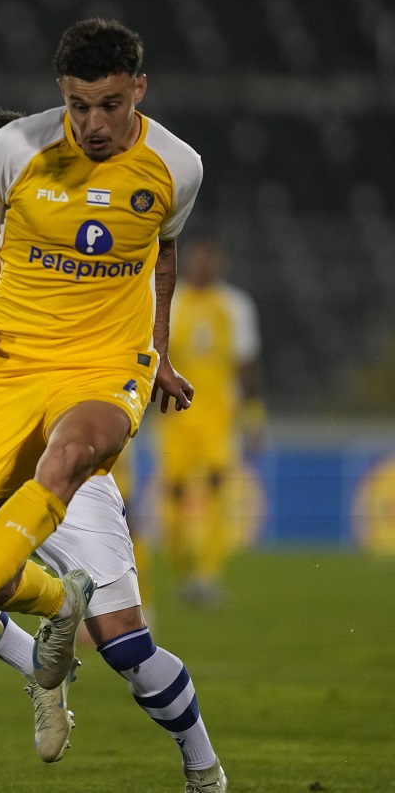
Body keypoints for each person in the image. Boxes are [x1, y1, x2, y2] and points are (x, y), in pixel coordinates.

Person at [0, 110, 226, 786]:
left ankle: (203, 763)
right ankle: (45, 666)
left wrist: (154, 352)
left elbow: (102, 319)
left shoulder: (65, 245)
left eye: (0, 163)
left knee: (128, 647)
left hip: (68, 465)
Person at [154, 232, 263, 606]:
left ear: (221, 263)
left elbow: (246, 365)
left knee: (218, 488)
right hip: (176, 418)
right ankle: (185, 571)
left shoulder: (236, 305)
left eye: (211, 258)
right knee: (174, 495)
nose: (205, 265)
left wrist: (254, 414)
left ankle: (209, 574)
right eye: (199, 258)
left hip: (220, 418)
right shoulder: (170, 300)